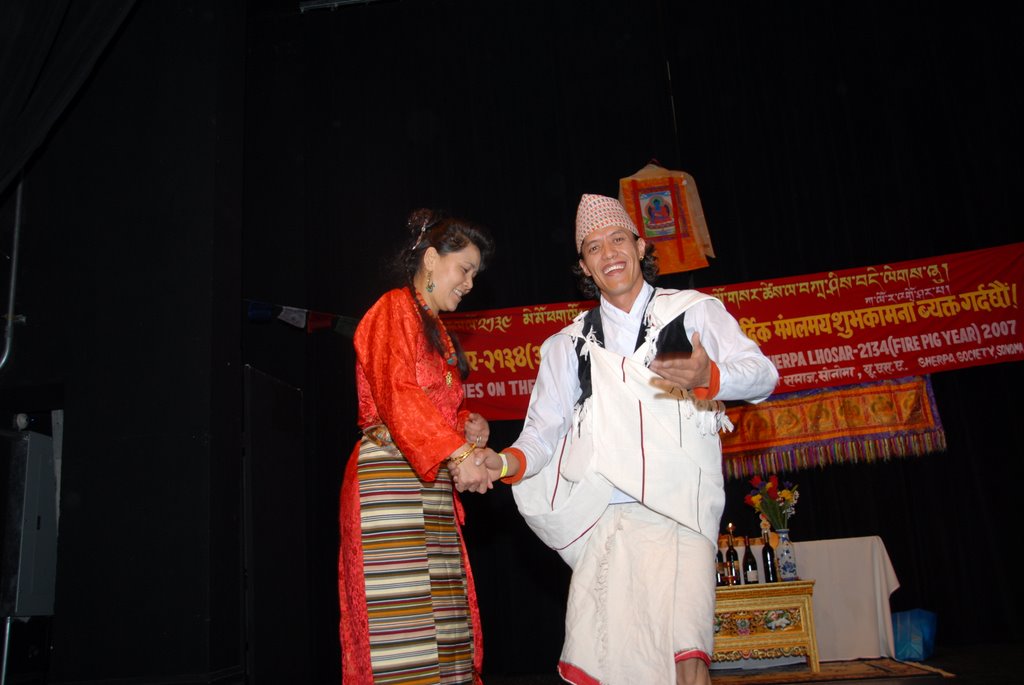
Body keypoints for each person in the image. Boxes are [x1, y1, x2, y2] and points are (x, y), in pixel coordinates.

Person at [472, 194, 778, 685]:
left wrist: (711, 377)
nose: (609, 253)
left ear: (639, 246)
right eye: (594, 248)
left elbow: (763, 376)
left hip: (681, 513)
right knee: (608, 667)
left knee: (686, 659)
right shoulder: (569, 345)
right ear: (584, 266)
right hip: (607, 520)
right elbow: (542, 433)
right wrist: (504, 463)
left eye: (618, 240)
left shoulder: (691, 313)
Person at [338, 207, 496, 684]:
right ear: (430, 259)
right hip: (389, 484)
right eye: (464, 269)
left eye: (474, 274)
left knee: (446, 628)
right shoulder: (392, 309)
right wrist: (459, 453)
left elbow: (435, 407)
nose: (469, 283)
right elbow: (398, 396)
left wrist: (467, 426)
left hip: (430, 486)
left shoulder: (439, 333)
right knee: (401, 633)